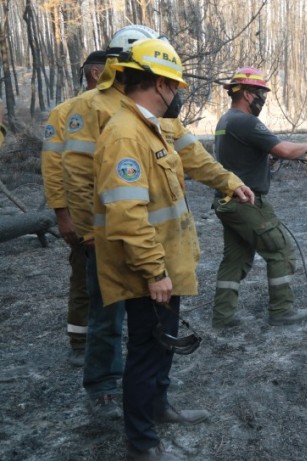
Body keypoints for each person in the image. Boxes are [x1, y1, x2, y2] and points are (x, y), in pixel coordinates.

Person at [93, 38, 253, 461]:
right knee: (146, 354)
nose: (177, 93)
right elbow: (127, 215)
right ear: (160, 84)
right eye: (174, 85)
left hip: (165, 264)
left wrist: (230, 182)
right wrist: (153, 272)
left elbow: (196, 160)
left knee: (162, 345)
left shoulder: (152, 127)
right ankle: (142, 444)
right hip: (148, 272)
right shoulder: (125, 135)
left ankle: (159, 409)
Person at [62, 24, 164, 420]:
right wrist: (89, 232)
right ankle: (102, 385)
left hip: (141, 232)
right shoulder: (90, 106)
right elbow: (77, 174)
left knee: (140, 317)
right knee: (105, 314)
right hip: (104, 235)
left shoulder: (142, 106)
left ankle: (143, 390)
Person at [211, 67, 307, 328]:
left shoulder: (225, 120)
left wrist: (265, 157)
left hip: (227, 201)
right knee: (280, 250)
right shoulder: (246, 121)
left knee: (235, 259)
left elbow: (242, 156)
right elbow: (284, 149)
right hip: (246, 201)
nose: (263, 98)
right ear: (248, 94)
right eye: (261, 93)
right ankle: (282, 310)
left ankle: (222, 316)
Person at [41, 50, 106, 368]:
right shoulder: (65, 113)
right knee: (83, 277)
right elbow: (53, 168)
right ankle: (80, 342)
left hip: (115, 212)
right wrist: (62, 215)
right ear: (96, 73)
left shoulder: (117, 110)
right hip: (83, 214)